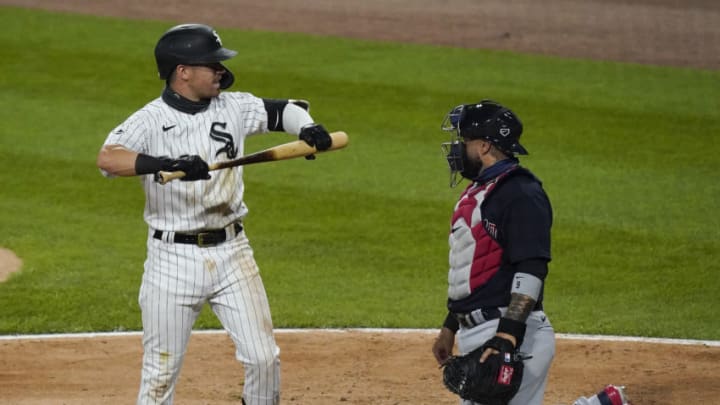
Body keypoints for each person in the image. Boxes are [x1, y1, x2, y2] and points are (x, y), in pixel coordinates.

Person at [96, 23, 333, 405]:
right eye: (212, 64)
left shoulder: (233, 106)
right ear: (182, 71)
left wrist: (308, 128)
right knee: (160, 373)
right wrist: (164, 162)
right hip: (171, 261)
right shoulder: (150, 119)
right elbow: (108, 158)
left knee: (263, 358)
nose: (220, 70)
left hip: (232, 252)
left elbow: (283, 110)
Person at [431, 100, 555, 405]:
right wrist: (450, 327)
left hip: (510, 335)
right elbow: (477, 271)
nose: (457, 149)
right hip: (479, 333)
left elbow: (531, 268)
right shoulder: (480, 190)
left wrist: (507, 337)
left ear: (485, 146)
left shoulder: (521, 193)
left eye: (464, 141)